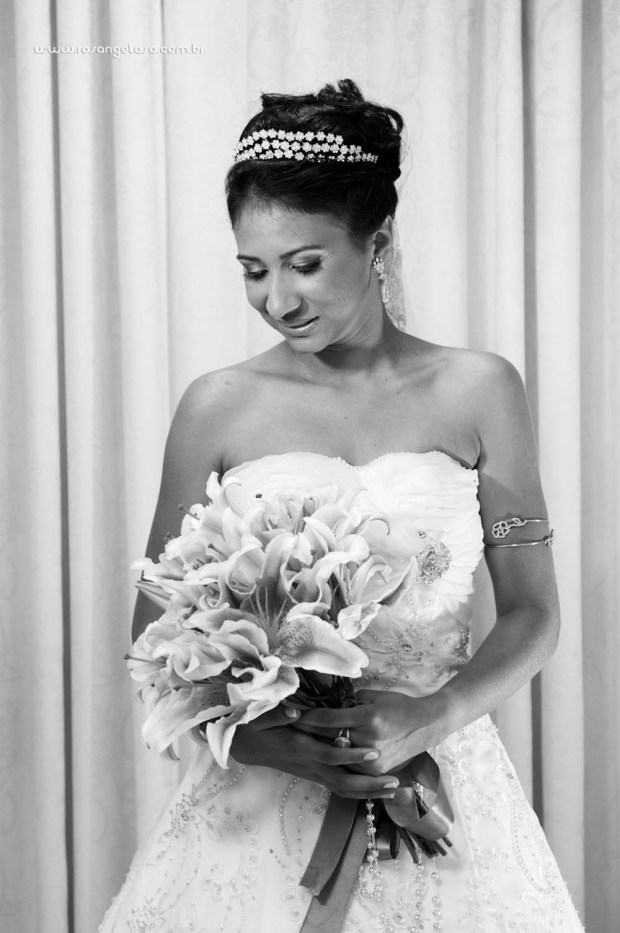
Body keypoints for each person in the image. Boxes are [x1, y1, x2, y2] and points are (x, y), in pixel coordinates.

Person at [99, 79, 584, 932]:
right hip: (259, 802)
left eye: (305, 264)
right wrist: (263, 740)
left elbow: (534, 612)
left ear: (379, 242)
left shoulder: (480, 389)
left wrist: (430, 716)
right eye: (254, 270)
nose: (278, 300)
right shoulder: (216, 406)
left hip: (439, 775)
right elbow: (154, 640)